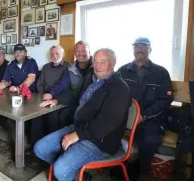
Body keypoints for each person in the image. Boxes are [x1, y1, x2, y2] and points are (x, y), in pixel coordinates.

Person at [34, 48, 130, 181]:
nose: (97, 65)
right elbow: (75, 94)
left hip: (100, 141)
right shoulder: (94, 81)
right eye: (95, 61)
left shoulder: (119, 88)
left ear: (113, 64)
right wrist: (57, 100)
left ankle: (66, 169)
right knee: (40, 148)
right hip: (80, 127)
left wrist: (78, 135)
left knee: (60, 169)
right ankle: (77, 174)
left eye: (103, 62)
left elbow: (108, 122)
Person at [117, 37, 173, 178]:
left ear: (150, 49)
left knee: (148, 138)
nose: (139, 49)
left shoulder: (161, 72)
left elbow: (165, 100)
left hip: (150, 119)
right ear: (133, 49)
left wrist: (144, 116)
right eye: (136, 46)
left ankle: (142, 173)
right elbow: (115, 95)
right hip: (127, 118)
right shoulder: (123, 71)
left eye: (143, 46)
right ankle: (119, 169)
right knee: (108, 132)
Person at [42, 41, 94, 129]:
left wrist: (58, 100)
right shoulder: (70, 69)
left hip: (92, 103)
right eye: (78, 51)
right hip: (74, 100)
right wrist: (51, 94)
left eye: (84, 51)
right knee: (58, 116)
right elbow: (63, 84)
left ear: (89, 52)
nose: (80, 54)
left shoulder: (96, 67)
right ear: (75, 54)